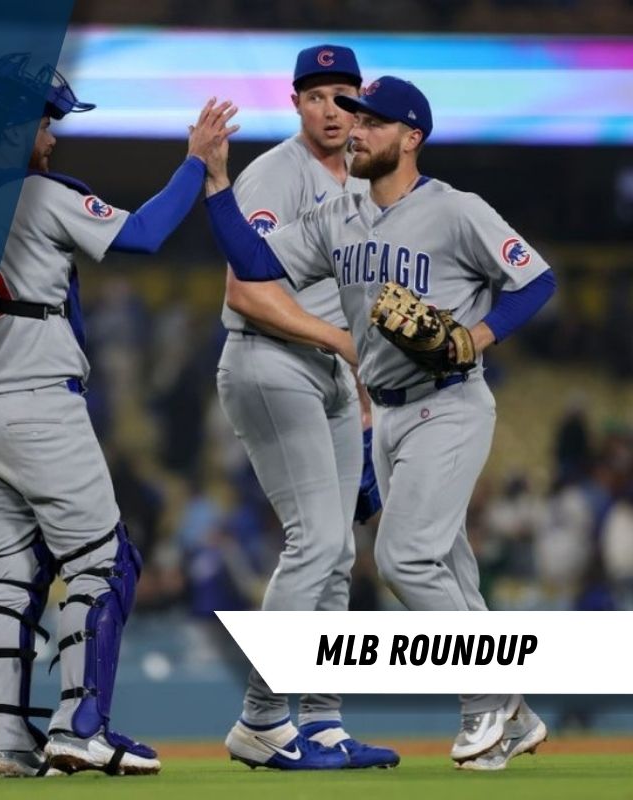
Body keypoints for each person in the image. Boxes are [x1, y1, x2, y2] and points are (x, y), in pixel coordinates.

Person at [0, 53, 237, 777]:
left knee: (11, 572)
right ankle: (82, 724)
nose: (51, 136)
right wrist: (194, 162)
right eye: (45, 121)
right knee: (103, 561)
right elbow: (142, 235)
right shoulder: (40, 196)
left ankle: (6, 738)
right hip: (37, 403)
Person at [203, 75, 553, 771]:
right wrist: (215, 183)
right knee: (451, 567)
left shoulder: (457, 210)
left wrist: (476, 338)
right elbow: (254, 263)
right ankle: (510, 710)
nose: (352, 128)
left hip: (448, 399)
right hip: (387, 411)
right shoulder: (341, 214)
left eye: (370, 120)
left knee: (404, 558)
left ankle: (484, 701)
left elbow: (535, 280)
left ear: (410, 136)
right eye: (352, 118)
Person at [216, 44, 398, 771]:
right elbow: (246, 289)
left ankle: (321, 723)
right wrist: (344, 346)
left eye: (344, 96)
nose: (332, 109)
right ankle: (261, 719)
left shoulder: (360, 184)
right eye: (317, 95)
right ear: (295, 103)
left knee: (338, 555)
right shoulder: (275, 174)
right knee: (316, 542)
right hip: (270, 362)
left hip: (333, 380)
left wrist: (360, 392)